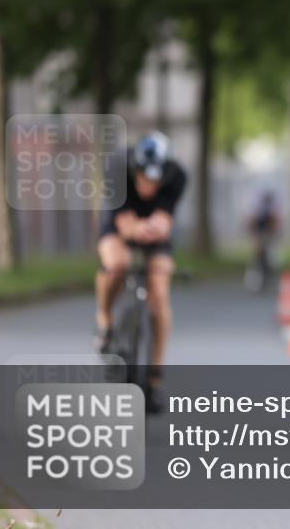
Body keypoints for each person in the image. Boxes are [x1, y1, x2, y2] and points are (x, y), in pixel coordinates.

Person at [95, 131, 187, 413]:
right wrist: (136, 229)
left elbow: (165, 218)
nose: (149, 185)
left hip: (155, 232)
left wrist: (157, 227)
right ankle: (105, 318)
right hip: (121, 223)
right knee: (117, 266)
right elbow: (123, 223)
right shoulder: (116, 167)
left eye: (155, 180)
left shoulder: (178, 177)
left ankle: (155, 378)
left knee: (159, 297)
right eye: (143, 178)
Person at [245, 188, 281, 291]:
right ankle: (254, 276)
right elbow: (252, 223)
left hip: (268, 232)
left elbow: (275, 222)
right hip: (259, 231)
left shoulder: (272, 208)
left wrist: (274, 235)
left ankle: (270, 273)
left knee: (271, 253)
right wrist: (255, 238)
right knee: (257, 254)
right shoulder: (256, 208)